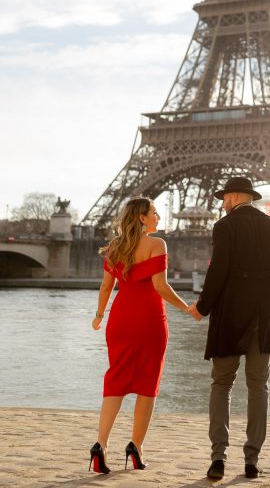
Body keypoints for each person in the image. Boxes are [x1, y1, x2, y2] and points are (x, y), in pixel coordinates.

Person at [191, 176, 270, 480]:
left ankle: (218, 458)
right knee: (258, 386)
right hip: (263, 315)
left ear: (234, 196)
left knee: (222, 384)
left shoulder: (225, 227)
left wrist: (202, 307)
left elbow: (218, 271)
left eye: (224, 198)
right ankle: (252, 460)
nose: (222, 203)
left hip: (230, 313)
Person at [89, 197, 194, 473]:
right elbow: (160, 285)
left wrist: (99, 315)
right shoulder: (157, 245)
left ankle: (100, 445)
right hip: (149, 319)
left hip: (120, 320)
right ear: (141, 218)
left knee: (117, 378)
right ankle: (136, 447)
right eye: (155, 213)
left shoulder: (115, 247)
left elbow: (105, 287)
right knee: (148, 382)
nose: (158, 217)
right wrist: (186, 307)